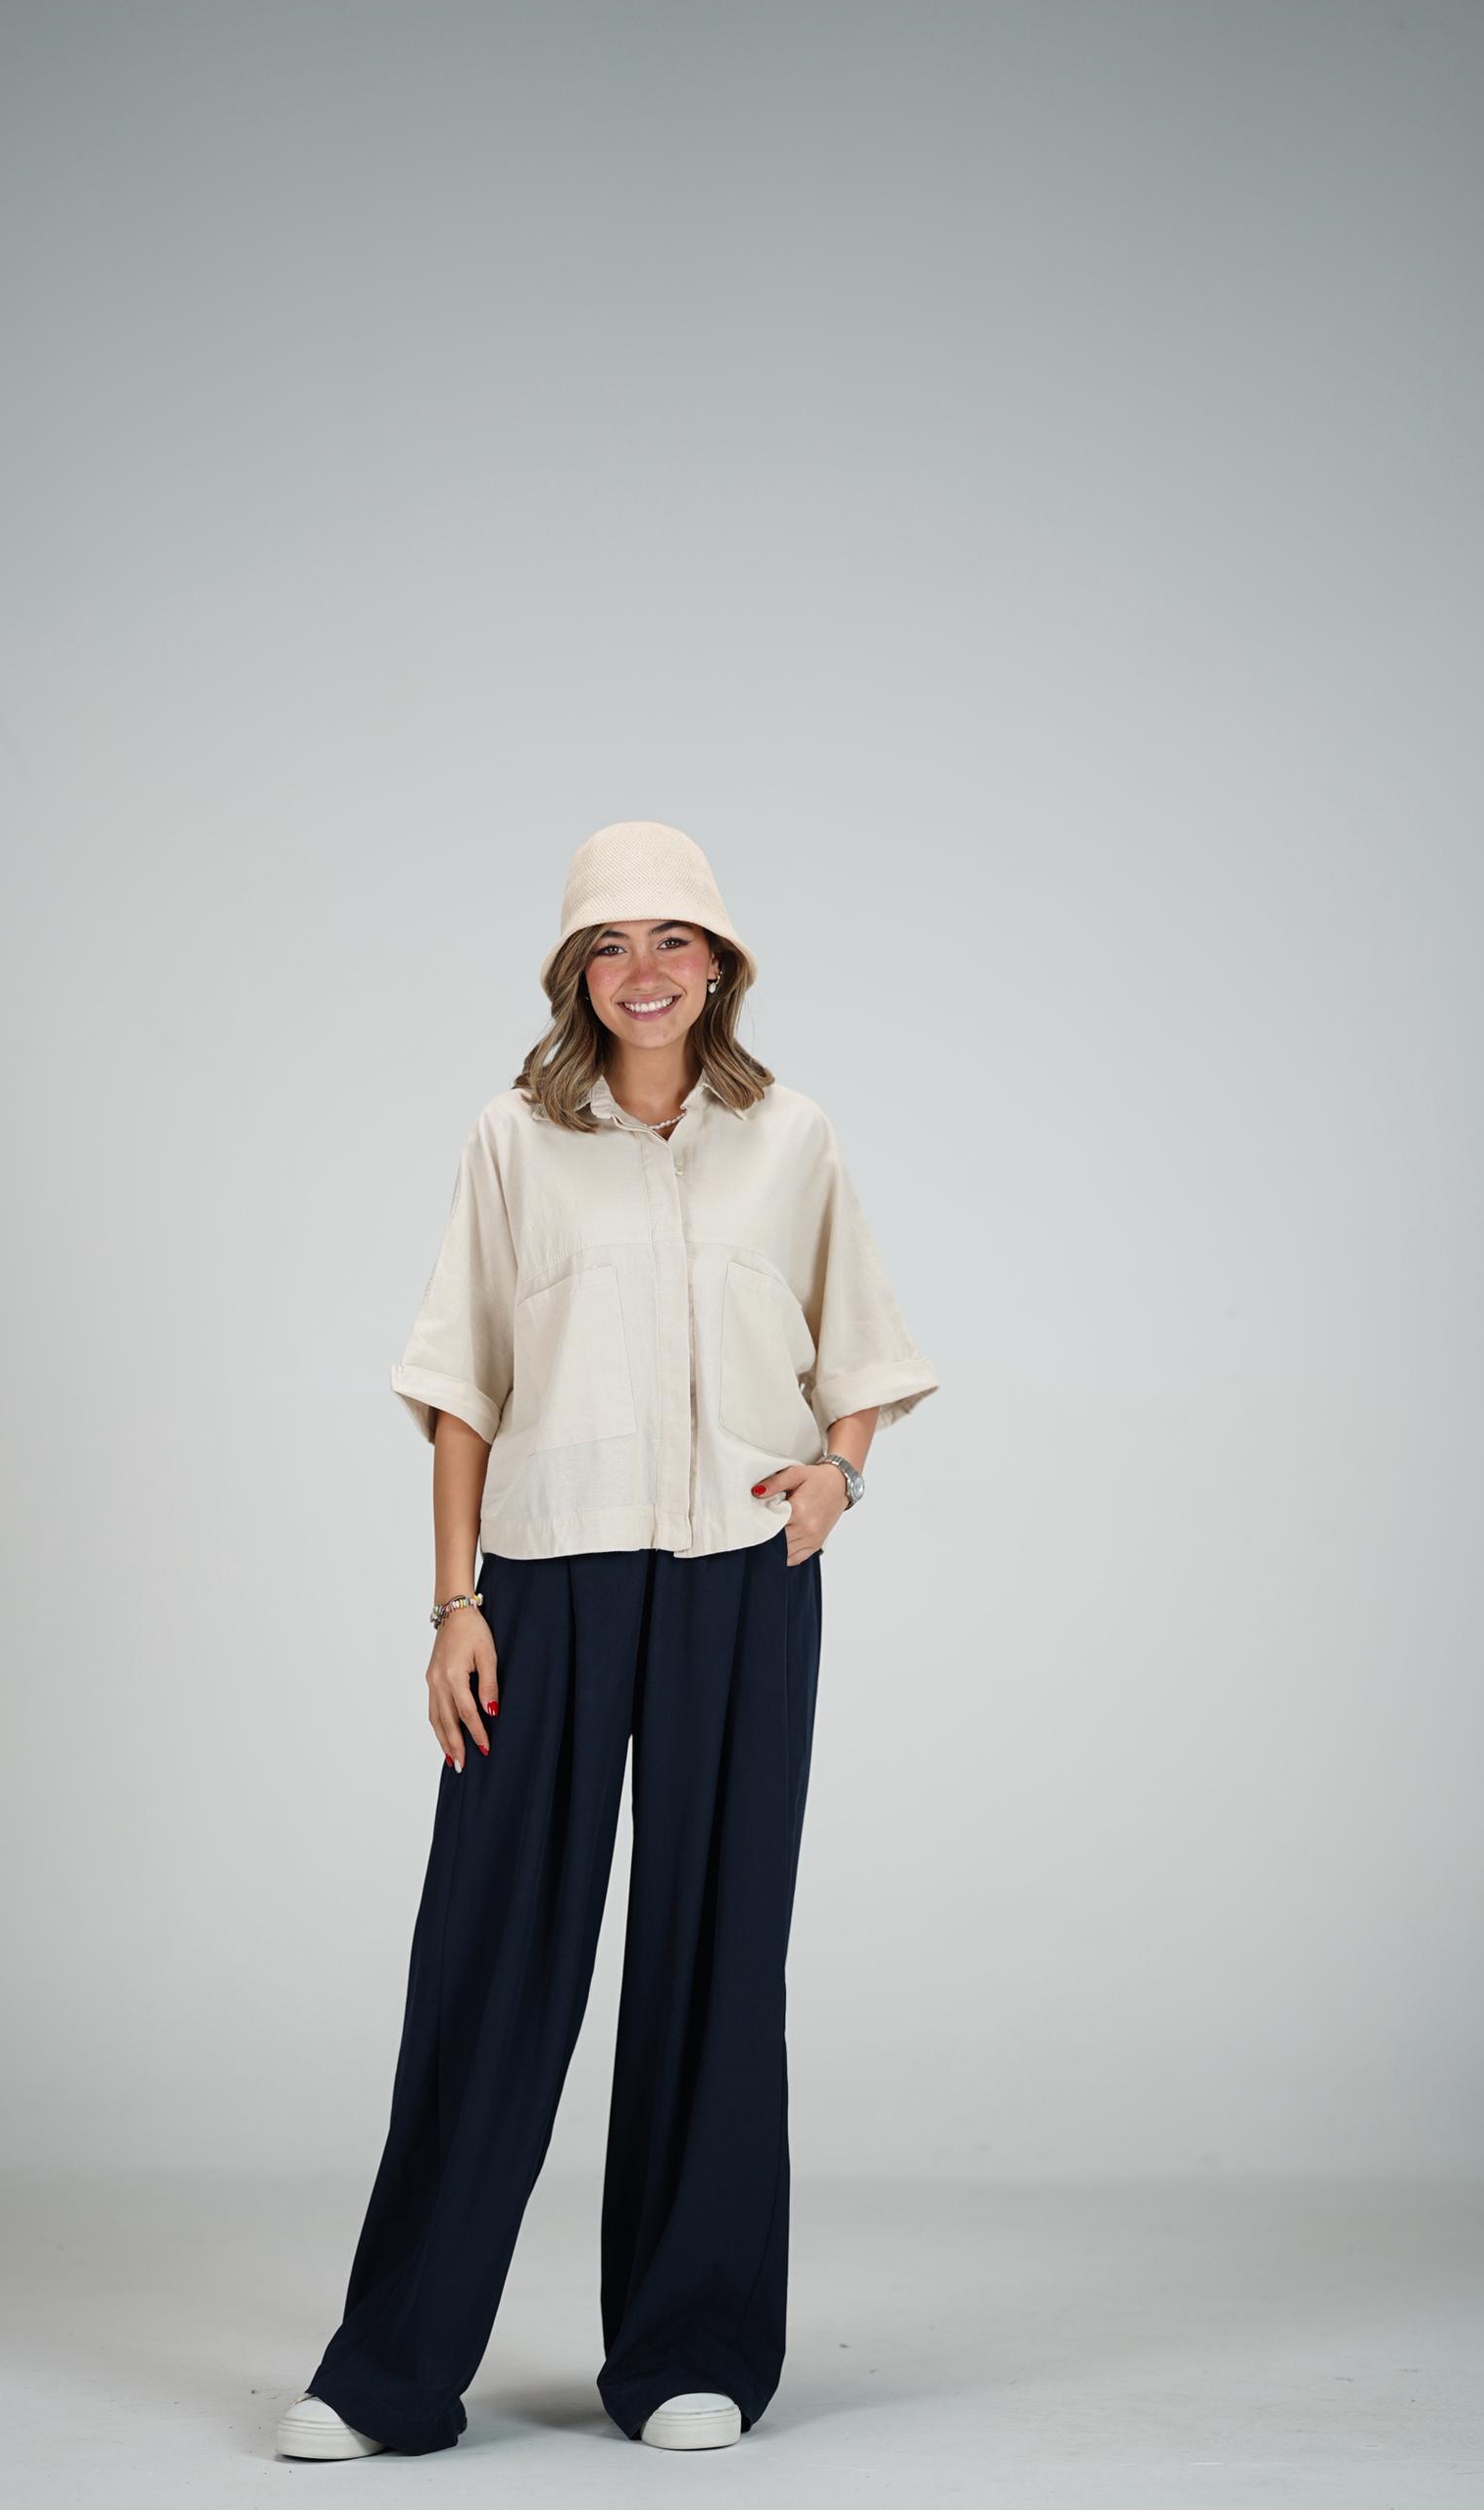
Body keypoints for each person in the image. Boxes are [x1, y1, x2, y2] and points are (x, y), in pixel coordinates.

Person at [275, 820, 938, 2458]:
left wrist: (837, 1479)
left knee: (716, 1950)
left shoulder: (792, 1138)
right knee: (489, 1956)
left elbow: (860, 1346)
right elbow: (462, 1384)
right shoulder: (513, 1138)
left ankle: (688, 2349)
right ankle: (390, 2371)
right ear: (575, 974)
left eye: (671, 940)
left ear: (718, 966)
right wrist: (454, 1607)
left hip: (736, 1576)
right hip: (546, 1579)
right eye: (609, 945)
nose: (642, 971)